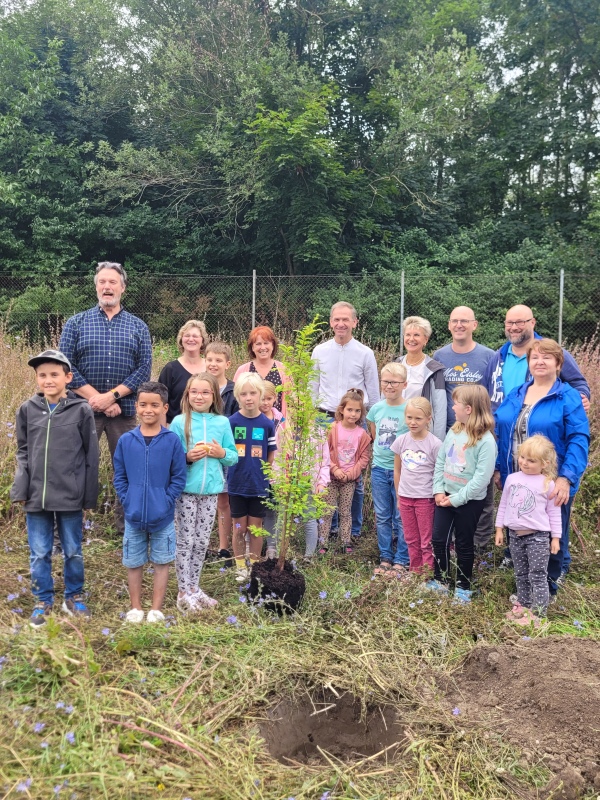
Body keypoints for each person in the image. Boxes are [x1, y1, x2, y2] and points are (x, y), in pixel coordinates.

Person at [59, 262, 152, 534]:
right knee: (74, 467)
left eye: (113, 282)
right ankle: (70, 527)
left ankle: (126, 528)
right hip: (81, 409)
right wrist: (97, 400)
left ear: (123, 288)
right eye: (102, 282)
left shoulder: (138, 326)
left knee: (128, 468)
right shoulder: (76, 323)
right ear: (96, 287)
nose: (107, 287)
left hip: (123, 412)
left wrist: (112, 397)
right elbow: (65, 366)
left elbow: (143, 370)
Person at [11, 350, 99, 627]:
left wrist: (88, 496)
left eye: (54, 374)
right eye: (42, 375)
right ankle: (43, 600)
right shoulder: (27, 409)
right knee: (39, 552)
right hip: (36, 496)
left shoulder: (81, 410)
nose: (48, 380)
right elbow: (23, 451)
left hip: (70, 495)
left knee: (73, 550)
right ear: (37, 378)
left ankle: (74, 596)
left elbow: (91, 455)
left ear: (68, 377)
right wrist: (21, 488)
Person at [494, 339, 589, 595]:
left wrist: (566, 478)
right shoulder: (517, 393)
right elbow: (500, 430)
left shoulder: (567, 397)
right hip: (517, 477)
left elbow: (579, 439)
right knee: (521, 527)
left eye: (547, 357)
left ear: (558, 364)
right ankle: (525, 585)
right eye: (535, 357)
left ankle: (549, 586)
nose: (540, 362)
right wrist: (498, 468)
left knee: (550, 532)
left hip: (551, 481)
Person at [113, 382, 187, 623]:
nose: (148, 410)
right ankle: (135, 608)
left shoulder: (172, 441)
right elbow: (120, 476)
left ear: (165, 408)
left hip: (163, 517)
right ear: (136, 406)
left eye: (155, 405)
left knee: (162, 561)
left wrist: (166, 501)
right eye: (143, 404)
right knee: (133, 561)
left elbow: (178, 477)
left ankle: (156, 609)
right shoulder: (126, 440)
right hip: (133, 515)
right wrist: (127, 499)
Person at [170, 373, 238, 612]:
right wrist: (187, 457)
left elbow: (233, 456)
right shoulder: (179, 422)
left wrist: (221, 454)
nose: (199, 396)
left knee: (201, 542)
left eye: (205, 392)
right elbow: (171, 458)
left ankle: (194, 587)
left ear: (214, 396)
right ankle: (183, 592)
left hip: (211, 491)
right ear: (187, 395)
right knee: (185, 541)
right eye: (194, 392)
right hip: (186, 491)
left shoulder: (222, 423)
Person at [311, 301, 379, 538]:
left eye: (346, 319)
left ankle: (352, 530)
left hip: (355, 421)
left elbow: (373, 393)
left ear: (354, 322)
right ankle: (326, 528)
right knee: (325, 475)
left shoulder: (365, 353)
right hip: (324, 418)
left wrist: (372, 425)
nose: (341, 324)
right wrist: (311, 421)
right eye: (337, 319)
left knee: (354, 478)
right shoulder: (319, 351)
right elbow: (312, 387)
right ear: (331, 322)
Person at [433, 307, 496, 552]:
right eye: (455, 321)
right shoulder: (440, 355)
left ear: (474, 325)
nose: (459, 325)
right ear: (449, 325)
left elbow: (493, 394)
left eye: (464, 321)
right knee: (452, 484)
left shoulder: (489, 356)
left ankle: (478, 547)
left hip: (478, 433)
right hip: (451, 432)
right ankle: (451, 543)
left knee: (481, 491)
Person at [429, 385, 497, 602]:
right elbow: (441, 460)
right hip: (445, 496)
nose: (452, 407)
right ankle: (440, 580)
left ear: (468, 409)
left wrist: (457, 499)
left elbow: (481, 479)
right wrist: (438, 490)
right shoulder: (454, 431)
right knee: (439, 539)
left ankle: (463, 587)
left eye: (456, 404)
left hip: (469, 501)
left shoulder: (486, 441)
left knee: (464, 544)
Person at [495, 435, 562, 624]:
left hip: (538, 538)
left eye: (531, 460)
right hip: (515, 536)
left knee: (538, 575)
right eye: (522, 457)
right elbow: (504, 505)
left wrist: (555, 538)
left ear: (544, 463)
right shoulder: (512, 479)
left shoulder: (547, 483)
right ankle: (523, 605)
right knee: (520, 573)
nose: (524, 462)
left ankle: (539, 614)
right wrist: (499, 528)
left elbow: (554, 513)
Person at [483, 304, 590, 413]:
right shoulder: (497, 358)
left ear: (532, 323)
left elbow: (577, 383)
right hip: (500, 422)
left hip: (541, 421)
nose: (514, 327)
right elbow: (485, 391)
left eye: (520, 322)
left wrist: (582, 396)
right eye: (509, 323)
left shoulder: (552, 353)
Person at [227, 374, 277, 581]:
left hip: (258, 486)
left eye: (253, 393)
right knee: (239, 528)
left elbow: (271, 453)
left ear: (260, 395)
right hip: (237, 485)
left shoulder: (267, 424)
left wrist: (263, 474)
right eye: (243, 394)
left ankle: (255, 566)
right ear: (237, 396)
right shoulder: (231, 422)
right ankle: (240, 566)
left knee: (256, 529)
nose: (248, 398)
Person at [366, 363, 410, 575]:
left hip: (402, 471)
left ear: (404, 384)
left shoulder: (409, 409)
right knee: (382, 515)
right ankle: (385, 556)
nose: (389, 386)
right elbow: (374, 434)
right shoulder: (376, 409)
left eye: (394, 382)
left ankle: (402, 558)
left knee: (401, 515)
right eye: (385, 381)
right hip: (379, 469)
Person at [392, 398, 442, 575]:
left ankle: (427, 575)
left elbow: (439, 472)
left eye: (418, 418)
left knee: (426, 540)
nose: (413, 422)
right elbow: (397, 470)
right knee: (411, 538)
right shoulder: (401, 441)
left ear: (428, 419)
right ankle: (415, 572)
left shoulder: (435, 444)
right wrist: (399, 496)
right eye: (409, 417)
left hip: (425, 499)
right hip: (405, 497)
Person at [318, 389, 372, 554]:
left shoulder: (362, 434)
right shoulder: (333, 429)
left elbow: (364, 457)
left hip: (349, 480)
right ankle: (323, 542)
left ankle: (345, 541)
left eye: (357, 411)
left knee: (345, 511)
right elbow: (324, 451)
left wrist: (351, 474)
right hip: (331, 478)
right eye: (350, 410)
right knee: (327, 511)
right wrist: (334, 468)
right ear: (342, 409)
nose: (353, 414)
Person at [205, 341, 239, 565]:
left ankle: (226, 547)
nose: (213, 364)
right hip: (202, 453)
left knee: (225, 501)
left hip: (225, 453)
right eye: (209, 359)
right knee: (208, 500)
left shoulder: (233, 391)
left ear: (227, 364)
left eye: (218, 360)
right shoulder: (199, 387)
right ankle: (205, 544)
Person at [395, 316, 446, 441]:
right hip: (396, 429)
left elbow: (440, 409)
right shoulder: (396, 364)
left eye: (416, 335)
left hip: (421, 434)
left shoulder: (434, 370)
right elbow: (385, 398)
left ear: (425, 340)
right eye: (408, 335)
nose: (411, 339)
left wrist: (437, 442)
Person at [159, 320, 208, 424]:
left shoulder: (210, 368)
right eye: (187, 336)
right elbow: (161, 402)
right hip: (175, 427)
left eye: (195, 336)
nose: (191, 339)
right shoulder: (170, 369)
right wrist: (164, 430)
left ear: (202, 340)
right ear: (181, 340)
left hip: (205, 426)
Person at [234, 326, 288, 414]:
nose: (263, 347)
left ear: (273, 345)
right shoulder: (242, 370)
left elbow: (291, 401)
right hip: (250, 421)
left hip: (278, 421)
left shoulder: (283, 370)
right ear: (252, 347)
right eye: (258, 344)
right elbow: (236, 399)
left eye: (266, 343)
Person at [260, 381, 286, 558]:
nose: (265, 402)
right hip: (256, 472)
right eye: (262, 398)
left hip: (276, 473)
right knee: (254, 511)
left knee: (272, 510)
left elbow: (285, 447)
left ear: (275, 398)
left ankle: (271, 546)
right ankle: (249, 544)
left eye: (269, 398)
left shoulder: (281, 421)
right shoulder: (252, 418)